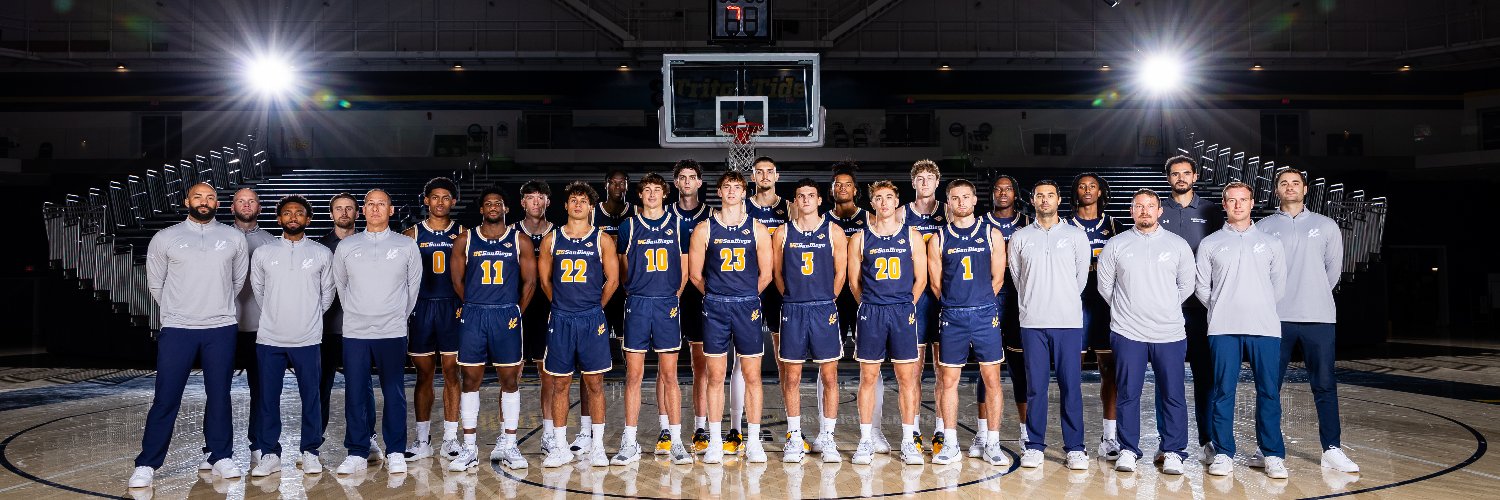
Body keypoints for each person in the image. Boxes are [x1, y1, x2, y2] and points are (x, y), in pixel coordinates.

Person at [129, 182, 250, 488]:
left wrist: (216, 308)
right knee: (166, 397)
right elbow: (156, 284)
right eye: (199, 196)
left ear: (218, 204)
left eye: (210, 197)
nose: (204, 201)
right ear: (187, 201)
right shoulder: (166, 238)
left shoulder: (233, 237)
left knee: (220, 396)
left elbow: (237, 282)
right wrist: (177, 311)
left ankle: (220, 456)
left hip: (220, 328)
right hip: (178, 328)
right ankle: (147, 463)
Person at [1257, 168, 1360, 473]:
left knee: (1325, 385)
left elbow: (1332, 272)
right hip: (1275, 321)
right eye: (1284, 183)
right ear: (1277, 190)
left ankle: (1332, 448)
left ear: (1305, 189)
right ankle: (1268, 451)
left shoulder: (1326, 226)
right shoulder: (1263, 227)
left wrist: (1310, 294)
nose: (1290, 187)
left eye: (1295, 183)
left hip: (1318, 318)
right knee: (1268, 387)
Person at [1096, 189, 1195, 474]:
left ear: (1160, 211)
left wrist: (1163, 307)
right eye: (1139, 206)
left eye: (1150, 206)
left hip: (1169, 332)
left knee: (1173, 393)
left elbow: (1186, 285)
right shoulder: (1117, 245)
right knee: (1128, 392)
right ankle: (1128, 449)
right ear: (1131, 211)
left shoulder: (1177, 245)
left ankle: (1174, 450)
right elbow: (1106, 286)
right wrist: (1128, 310)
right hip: (1128, 331)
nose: (1145, 211)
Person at [1197, 181, 1289, 479]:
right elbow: (1201, 287)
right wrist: (1225, 306)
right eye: (1232, 200)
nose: (1238, 205)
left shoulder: (1271, 243)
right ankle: (1223, 453)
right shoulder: (1210, 243)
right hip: (1223, 327)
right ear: (1224, 205)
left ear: (1252, 203)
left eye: (1243, 200)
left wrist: (1256, 305)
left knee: (1269, 393)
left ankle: (1272, 454)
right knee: (1223, 391)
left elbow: (1278, 287)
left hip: (1264, 327)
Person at [330, 188, 422, 475]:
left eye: (381, 204)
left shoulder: (406, 246)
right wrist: (359, 313)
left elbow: (412, 289)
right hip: (356, 331)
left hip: (392, 330)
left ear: (391, 210)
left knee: (393, 392)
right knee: (355, 391)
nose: (375, 209)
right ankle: (357, 451)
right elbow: (341, 287)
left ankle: (395, 450)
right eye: (370, 204)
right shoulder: (347, 247)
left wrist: (395, 316)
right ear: (363, 211)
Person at [447, 186, 536, 472]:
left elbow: (530, 283)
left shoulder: (519, 240)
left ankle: (509, 445)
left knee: (510, 381)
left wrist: (515, 312)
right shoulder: (465, 239)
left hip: (506, 315)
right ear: (482, 210)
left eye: (498, 202)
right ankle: (469, 448)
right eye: (488, 204)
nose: (493, 207)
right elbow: (457, 281)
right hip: (475, 314)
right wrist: (474, 305)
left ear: (506, 209)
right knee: (470, 379)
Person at [687, 171, 773, 464]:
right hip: (716, 307)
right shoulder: (704, 229)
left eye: (738, 187)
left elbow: (767, 275)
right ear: (719, 193)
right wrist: (717, 296)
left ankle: (753, 441)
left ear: (744, 192)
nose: (733, 191)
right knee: (715, 375)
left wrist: (746, 295)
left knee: (752, 375)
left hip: (746, 306)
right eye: (727, 187)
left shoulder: (758, 229)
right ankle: (713, 440)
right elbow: (695, 275)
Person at [248, 195, 336, 477]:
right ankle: (269, 453)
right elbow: (259, 292)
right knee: (267, 399)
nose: (293, 217)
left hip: (308, 339)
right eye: (287, 213)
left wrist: (307, 317)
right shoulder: (264, 252)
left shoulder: (322, 253)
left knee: (311, 398)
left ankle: (310, 451)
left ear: (308, 220)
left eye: (299, 213)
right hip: (270, 338)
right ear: (279, 219)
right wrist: (277, 314)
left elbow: (328, 295)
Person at [611, 173, 694, 466]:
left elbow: (684, 271)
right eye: (646, 190)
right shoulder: (628, 226)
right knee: (633, 376)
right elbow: (622, 270)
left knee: (670, 375)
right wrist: (636, 291)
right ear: (640, 195)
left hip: (666, 305)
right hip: (637, 304)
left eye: (656, 190)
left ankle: (676, 440)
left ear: (665, 194)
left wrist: (672, 297)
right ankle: (629, 440)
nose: (651, 194)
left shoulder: (678, 226)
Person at [925, 179, 1009, 467]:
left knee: (992, 380)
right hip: (953, 315)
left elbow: (998, 278)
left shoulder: (991, 234)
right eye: (955, 198)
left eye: (966, 197)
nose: (961, 202)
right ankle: (949, 443)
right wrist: (956, 304)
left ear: (975, 201)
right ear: (948, 203)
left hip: (985, 313)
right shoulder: (938, 238)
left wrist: (981, 301)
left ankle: (992, 442)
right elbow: (936, 284)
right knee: (948, 380)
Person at [1009, 180, 1091, 471]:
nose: (1045, 200)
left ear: (1058, 200)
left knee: (1071, 386)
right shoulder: (1019, 238)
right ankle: (1034, 445)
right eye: (1039, 195)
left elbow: (1080, 279)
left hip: (1068, 322)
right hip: (1033, 322)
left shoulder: (1075, 235)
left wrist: (1063, 300)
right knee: (1036, 388)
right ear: (1032, 200)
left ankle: (1076, 448)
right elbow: (1019, 279)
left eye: (1050, 195)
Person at [539, 182, 621, 469]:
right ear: (565, 205)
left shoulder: (602, 240)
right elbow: (545, 281)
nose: (577, 205)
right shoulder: (552, 239)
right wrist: (562, 305)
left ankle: (597, 446)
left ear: (590, 207)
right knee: (560, 383)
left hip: (591, 318)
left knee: (595, 383)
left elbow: (613, 280)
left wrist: (595, 306)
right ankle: (560, 447)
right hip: (561, 318)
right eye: (573, 200)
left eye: (583, 201)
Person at [847, 180, 929, 466]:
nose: (884, 203)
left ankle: (908, 441)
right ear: (873, 204)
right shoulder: (860, 238)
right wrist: (869, 305)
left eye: (889, 198)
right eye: (878, 198)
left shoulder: (912, 236)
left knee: (907, 378)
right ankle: (866, 440)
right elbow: (853, 282)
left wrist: (907, 305)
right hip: (872, 312)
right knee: (868, 378)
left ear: (897, 203)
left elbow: (921, 279)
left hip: (902, 312)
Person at [773, 178, 848, 464]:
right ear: (793, 201)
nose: (805, 199)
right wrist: (792, 297)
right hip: (793, 308)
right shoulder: (782, 232)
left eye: (811, 195)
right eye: (800, 195)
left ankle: (827, 436)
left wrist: (828, 300)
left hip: (823, 308)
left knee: (829, 376)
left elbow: (841, 273)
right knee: (791, 377)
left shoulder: (833, 231)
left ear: (820, 200)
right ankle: (794, 435)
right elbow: (777, 275)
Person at [1156, 155, 1224, 459]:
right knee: (1167, 376)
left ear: (1195, 176)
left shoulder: (1210, 210)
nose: (1180, 178)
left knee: (1204, 375)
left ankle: (1208, 440)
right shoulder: (1158, 210)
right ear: (1168, 178)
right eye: (1175, 174)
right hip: (1165, 305)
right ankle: (1168, 443)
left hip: (1201, 306)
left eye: (1186, 173)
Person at [401, 177, 466, 461]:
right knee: (424, 374)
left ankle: (451, 439)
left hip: (453, 308)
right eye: (435, 197)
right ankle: (422, 438)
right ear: (426, 200)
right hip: (422, 308)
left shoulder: (464, 233)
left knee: (453, 373)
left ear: (453, 202)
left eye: (446, 197)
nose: (440, 202)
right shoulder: (410, 235)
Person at [318, 192, 381, 461]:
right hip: (325, 329)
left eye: (349, 208)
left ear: (358, 213)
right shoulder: (320, 247)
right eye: (339, 208)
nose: (344, 213)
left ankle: (368, 438)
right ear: (331, 213)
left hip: (359, 328)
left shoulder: (369, 244)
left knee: (362, 385)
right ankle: (313, 442)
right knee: (320, 386)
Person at [978, 174, 1031, 457]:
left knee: (1019, 367)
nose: (1002, 193)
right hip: (989, 296)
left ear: (1015, 193)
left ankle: (1025, 433)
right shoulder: (981, 224)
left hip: (1020, 298)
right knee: (988, 366)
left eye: (1008, 189)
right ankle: (983, 433)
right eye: (998, 189)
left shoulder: (1027, 223)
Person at [668, 161, 716, 455]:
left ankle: (700, 427)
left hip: (700, 294)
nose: (687, 182)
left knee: (702, 365)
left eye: (692, 178)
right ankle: (666, 429)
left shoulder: (711, 216)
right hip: (669, 295)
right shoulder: (663, 216)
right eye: (682, 177)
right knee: (667, 367)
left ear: (700, 182)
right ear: (675, 183)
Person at [745, 157, 791, 452]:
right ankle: (739, 428)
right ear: (753, 176)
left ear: (777, 174)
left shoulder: (790, 207)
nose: (764, 175)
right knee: (742, 359)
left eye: (769, 171)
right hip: (747, 284)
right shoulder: (742, 206)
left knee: (784, 358)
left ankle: (792, 430)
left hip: (779, 285)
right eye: (759, 171)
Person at [901, 160, 946, 451]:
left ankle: (941, 430)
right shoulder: (901, 213)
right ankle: (913, 429)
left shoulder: (951, 210)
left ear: (937, 183)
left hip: (943, 298)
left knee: (944, 370)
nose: (925, 182)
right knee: (913, 371)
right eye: (921, 178)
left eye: (930, 177)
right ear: (914, 183)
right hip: (914, 298)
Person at [231, 188, 278, 466]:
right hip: (226, 328)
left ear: (259, 207)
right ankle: (215, 449)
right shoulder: (221, 239)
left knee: (262, 392)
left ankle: (259, 445)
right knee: (217, 391)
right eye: (241, 201)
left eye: (251, 201)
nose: (246, 205)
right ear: (232, 206)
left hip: (261, 330)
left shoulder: (271, 243)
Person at [514, 180, 561, 456]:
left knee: (549, 377)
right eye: (530, 197)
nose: (535, 202)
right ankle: (507, 437)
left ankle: (549, 435)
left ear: (547, 202)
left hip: (547, 309)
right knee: (512, 374)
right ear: (522, 203)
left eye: (540, 197)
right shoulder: (510, 234)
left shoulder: (558, 234)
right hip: (517, 309)